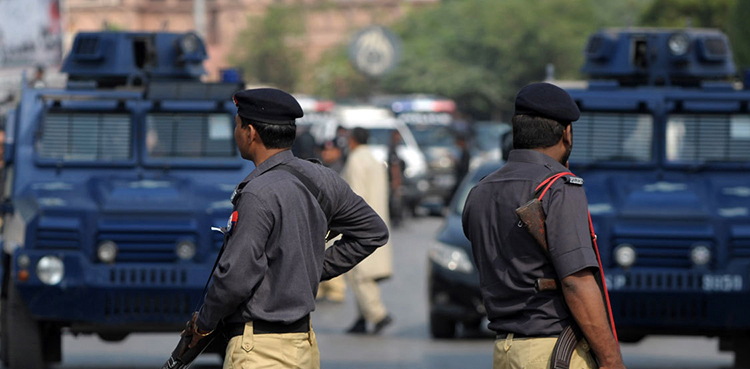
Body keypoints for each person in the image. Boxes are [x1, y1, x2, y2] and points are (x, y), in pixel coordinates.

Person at [188, 88, 389, 369]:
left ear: (251, 133)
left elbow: (234, 276)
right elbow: (373, 231)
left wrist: (204, 324)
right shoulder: (323, 179)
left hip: (258, 351)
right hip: (303, 347)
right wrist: (310, 268)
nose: (236, 133)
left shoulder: (257, 192)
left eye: (237, 125)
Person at [462, 83, 625, 369]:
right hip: (552, 354)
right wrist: (612, 361)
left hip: (505, 351)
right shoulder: (558, 187)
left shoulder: (480, 191)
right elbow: (576, 281)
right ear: (566, 133)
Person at [341, 127, 394, 334]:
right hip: (376, 222)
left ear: (352, 140)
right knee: (365, 274)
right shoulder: (373, 159)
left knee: (359, 274)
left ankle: (378, 315)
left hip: (359, 224)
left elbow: (355, 195)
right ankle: (362, 318)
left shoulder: (355, 160)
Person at [387, 130, 405, 227]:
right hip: (393, 179)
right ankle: (395, 218)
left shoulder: (394, 148)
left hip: (393, 179)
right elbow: (394, 167)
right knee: (395, 200)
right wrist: (396, 181)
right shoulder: (392, 148)